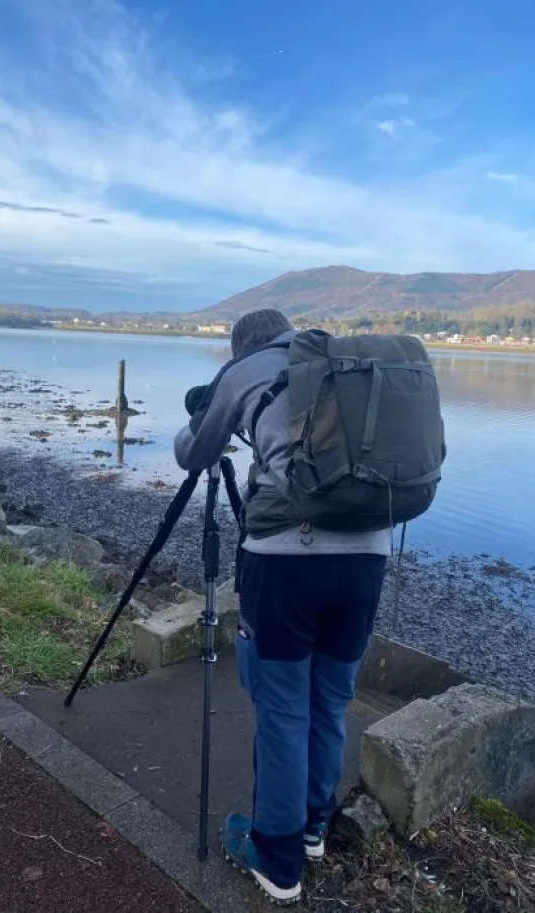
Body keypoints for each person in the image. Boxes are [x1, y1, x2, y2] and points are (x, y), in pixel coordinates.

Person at [174, 309, 391, 905]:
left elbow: (194, 453)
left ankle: (276, 858)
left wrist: (199, 412)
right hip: (368, 560)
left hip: (287, 563)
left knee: (283, 708)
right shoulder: (347, 363)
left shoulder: (246, 370)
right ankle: (313, 828)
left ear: (241, 344)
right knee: (331, 699)